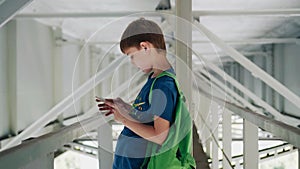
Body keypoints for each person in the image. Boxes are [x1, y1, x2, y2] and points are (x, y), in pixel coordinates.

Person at [96, 18, 178, 169]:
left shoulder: (163, 85)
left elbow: (160, 136)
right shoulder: (154, 79)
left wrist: (123, 119)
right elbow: (147, 117)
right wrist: (125, 107)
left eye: (132, 56)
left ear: (145, 47)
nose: (132, 62)